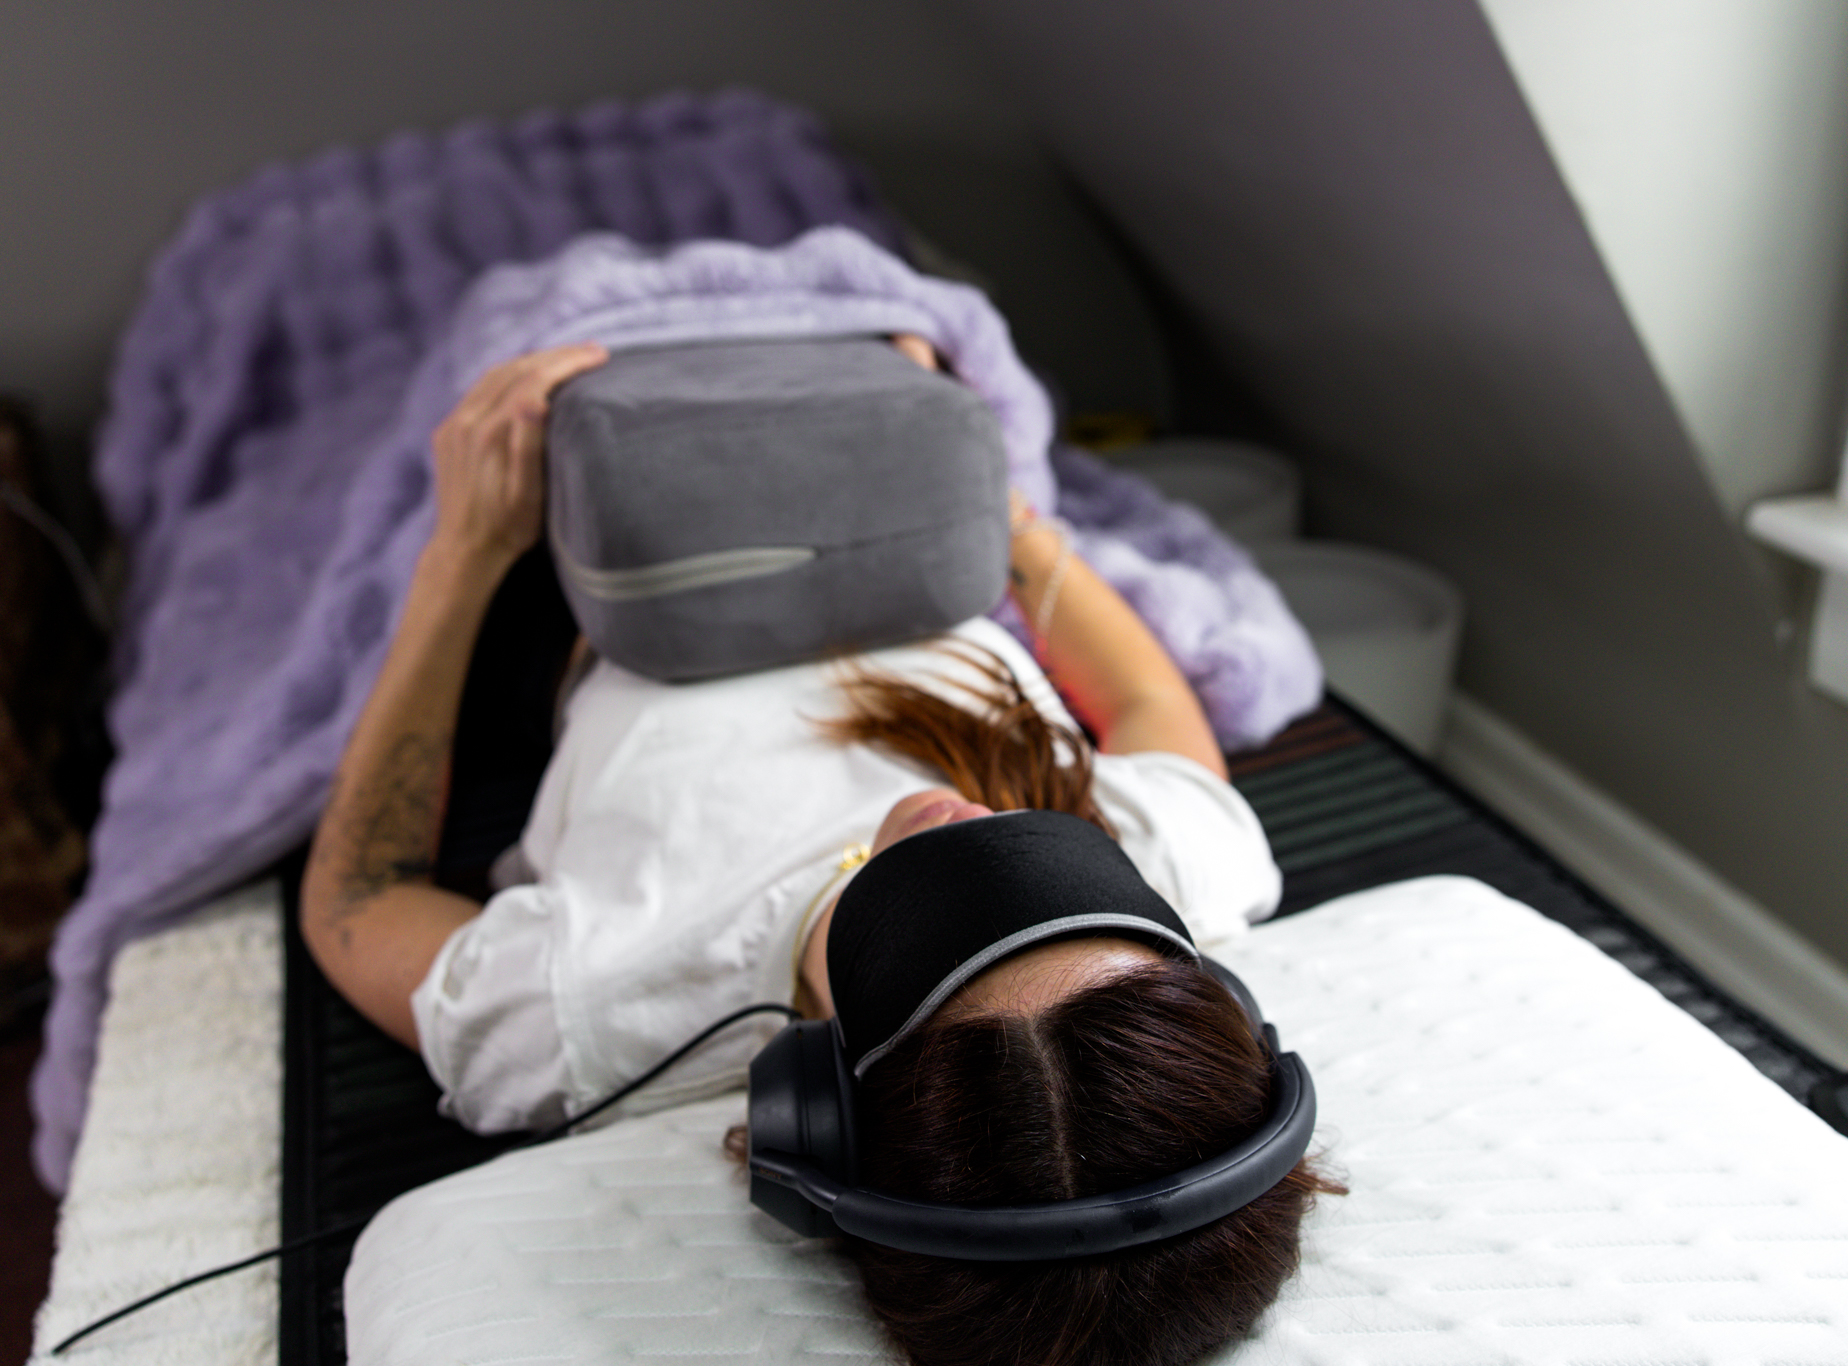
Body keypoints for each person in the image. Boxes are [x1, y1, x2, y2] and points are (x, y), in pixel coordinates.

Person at [300, 338, 1340, 1366]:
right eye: (1038, 876)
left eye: (939, 934)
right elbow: (1149, 701)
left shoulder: (587, 1009)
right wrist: (1001, 510)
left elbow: (359, 890)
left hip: (610, 575)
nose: (965, 824)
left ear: (817, 1114)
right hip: (912, 527)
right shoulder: (1184, 866)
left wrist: (465, 552)